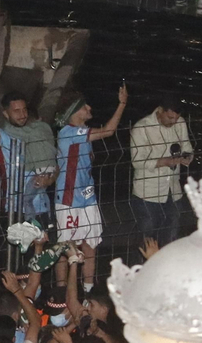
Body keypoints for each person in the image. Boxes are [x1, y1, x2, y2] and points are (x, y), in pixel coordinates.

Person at [54, 85, 127, 256]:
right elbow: (108, 131)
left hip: (88, 196)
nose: (89, 108)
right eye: (84, 106)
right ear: (74, 112)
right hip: (69, 198)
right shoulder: (69, 133)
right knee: (66, 246)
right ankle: (63, 283)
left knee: (90, 244)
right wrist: (122, 104)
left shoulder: (83, 133)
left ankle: (88, 284)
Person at [0, 82, 56, 222]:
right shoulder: (4, 136)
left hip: (42, 206)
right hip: (15, 209)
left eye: (24, 110)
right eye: (16, 111)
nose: (22, 115)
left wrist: (50, 179)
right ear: (5, 113)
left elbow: (55, 164)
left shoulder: (36, 133)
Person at [129, 98, 193, 244]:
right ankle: (141, 267)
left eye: (176, 118)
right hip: (148, 193)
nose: (174, 122)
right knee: (147, 240)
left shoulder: (180, 122)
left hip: (173, 190)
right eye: (170, 117)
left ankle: (167, 266)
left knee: (171, 239)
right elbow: (137, 161)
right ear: (160, 110)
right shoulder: (142, 127)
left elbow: (187, 147)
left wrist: (187, 157)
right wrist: (165, 162)